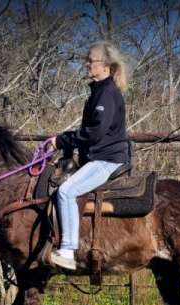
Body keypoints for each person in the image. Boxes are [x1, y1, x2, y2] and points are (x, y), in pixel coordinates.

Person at [49, 40, 130, 270]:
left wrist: (61, 140)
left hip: (107, 160)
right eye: (86, 60)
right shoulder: (99, 92)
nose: (86, 65)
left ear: (105, 65)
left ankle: (67, 250)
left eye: (90, 61)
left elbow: (94, 133)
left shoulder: (106, 94)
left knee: (66, 191)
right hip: (100, 157)